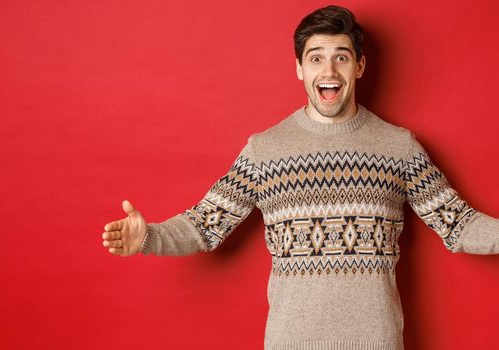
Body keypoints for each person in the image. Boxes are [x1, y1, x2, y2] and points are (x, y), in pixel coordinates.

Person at [100, 5, 499, 350]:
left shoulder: (399, 147)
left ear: (359, 66)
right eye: (316, 58)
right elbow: (205, 225)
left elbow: (459, 225)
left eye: (342, 57)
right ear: (299, 68)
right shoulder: (264, 150)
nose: (329, 69)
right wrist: (149, 237)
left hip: (377, 341)